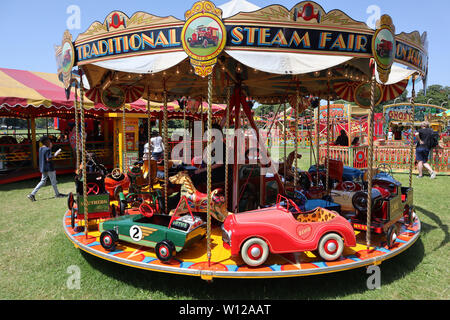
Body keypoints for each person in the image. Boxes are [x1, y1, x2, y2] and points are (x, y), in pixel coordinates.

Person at [27, 136, 67, 201]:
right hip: (49, 167)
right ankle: (57, 194)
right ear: (46, 141)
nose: (50, 142)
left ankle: (32, 194)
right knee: (53, 182)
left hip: (43, 167)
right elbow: (48, 159)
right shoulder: (47, 149)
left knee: (42, 181)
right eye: (49, 141)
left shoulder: (40, 148)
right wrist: (55, 155)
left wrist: (50, 148)